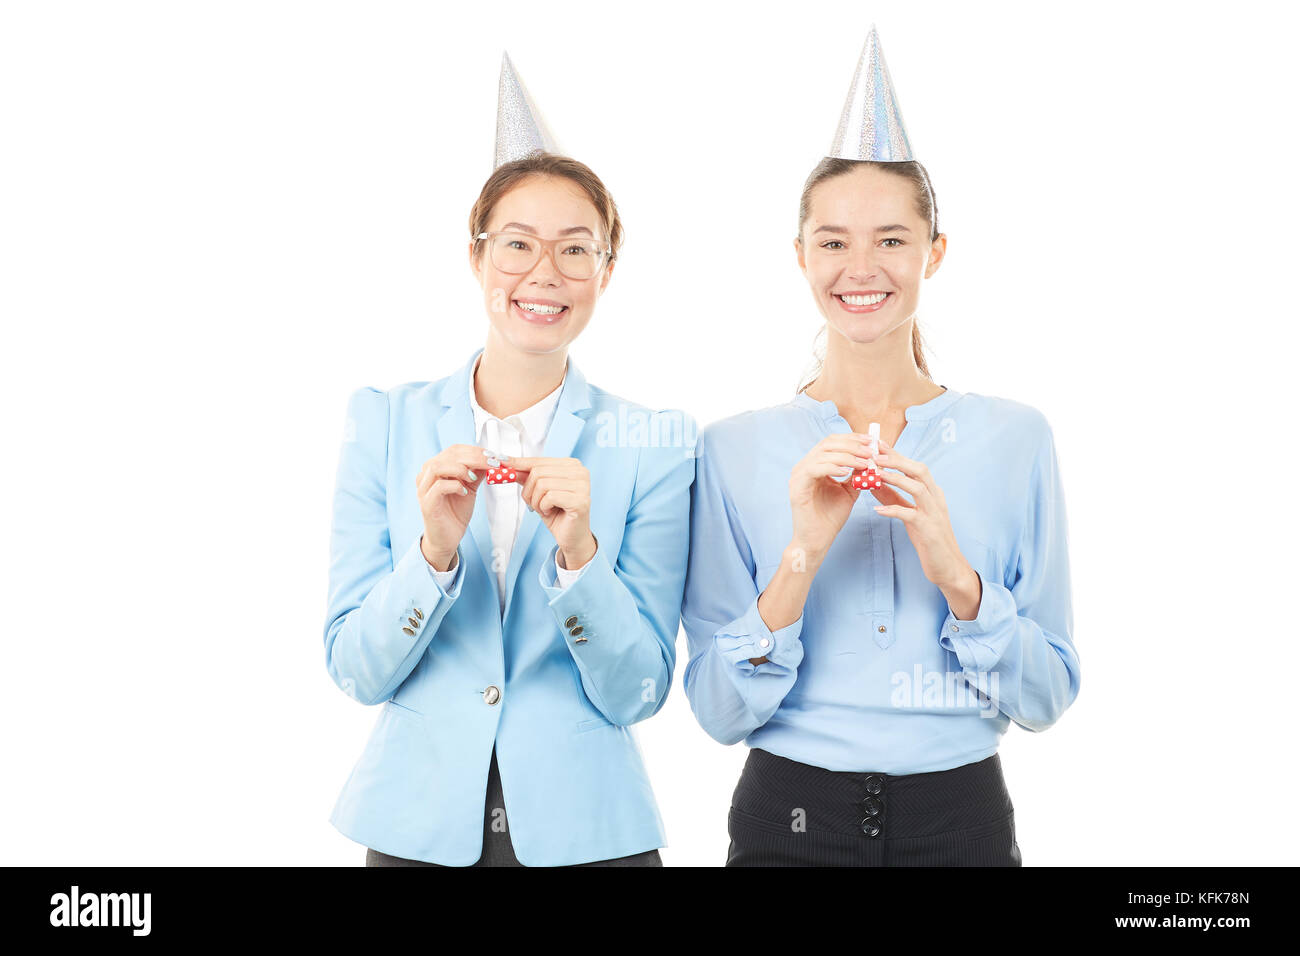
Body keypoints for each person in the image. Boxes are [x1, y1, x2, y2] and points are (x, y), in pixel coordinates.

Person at [680, 27, 1080, 866]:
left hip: (959, 818)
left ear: (935, 252)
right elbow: (719, 713)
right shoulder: (730, 450)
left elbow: (1046, 698)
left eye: (892, 239)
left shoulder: (1016, 438)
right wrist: (802, 553)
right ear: (800, 257)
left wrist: (955, 575)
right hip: (786, 817)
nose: (861, 266)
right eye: (833, 241)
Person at [324, 54, 694, 866]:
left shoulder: (658, 442)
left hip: (592, 836)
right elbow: (356, 671)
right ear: (476, 257)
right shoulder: (384, 422)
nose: (544, 274)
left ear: (607, 269)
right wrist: (433, 556)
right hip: (415, 831)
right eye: (518, 244)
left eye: (576, 250)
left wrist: (580, 559)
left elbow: (639, 690)